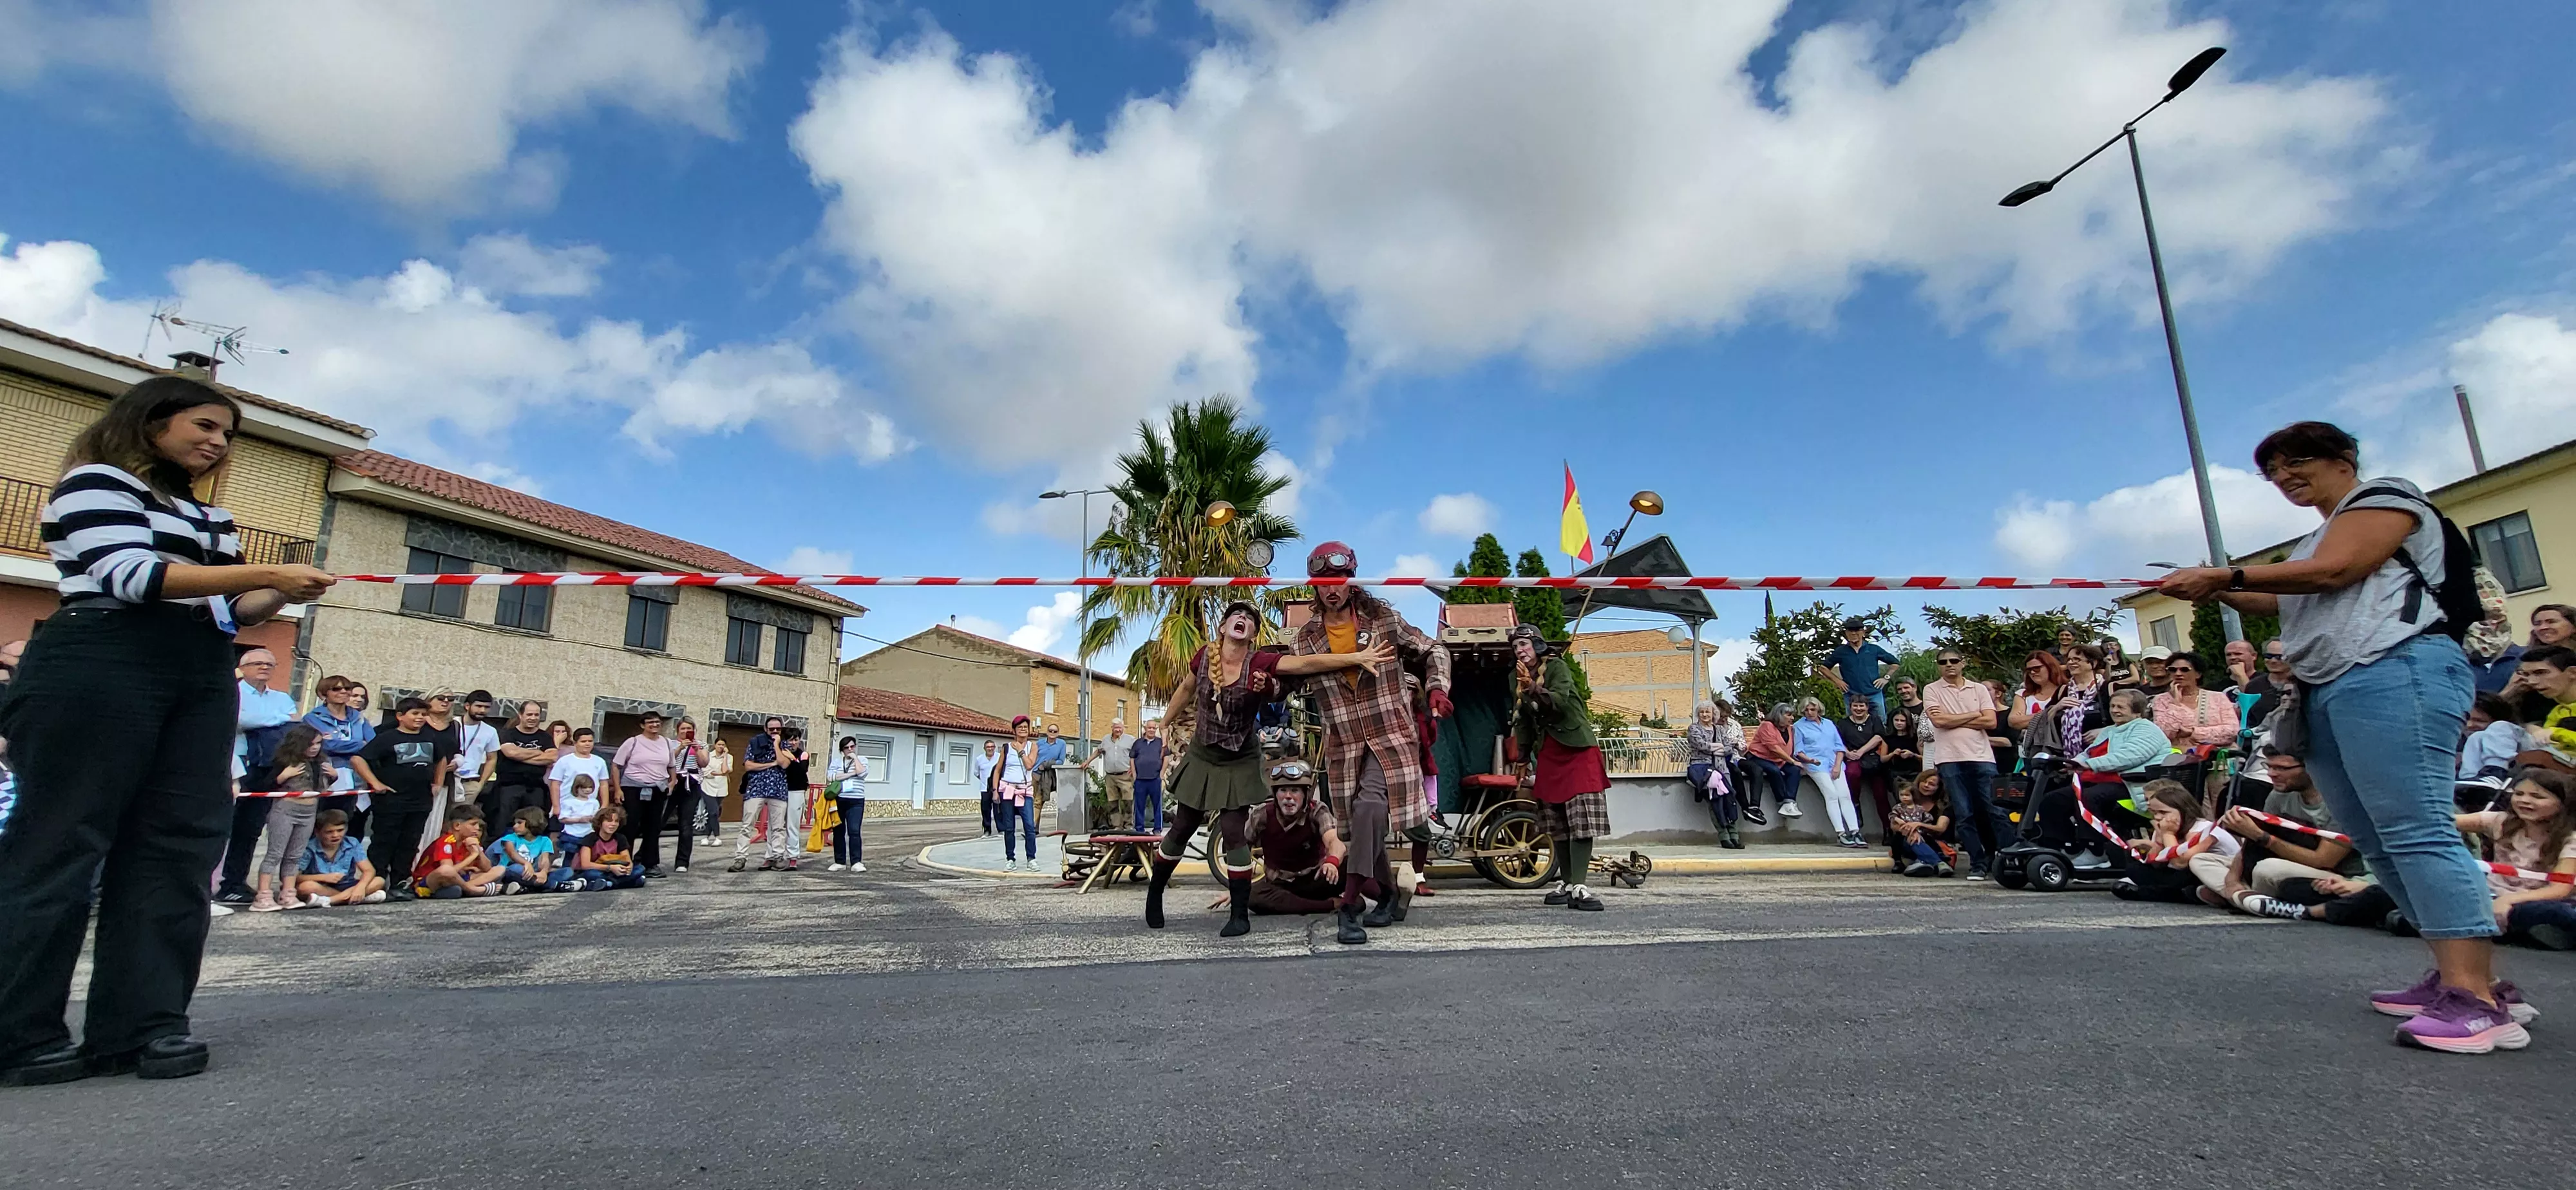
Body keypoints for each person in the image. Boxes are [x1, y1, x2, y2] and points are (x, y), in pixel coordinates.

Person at [2159, 419, 2521, 1054]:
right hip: (2333, 687)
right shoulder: (2313, 539)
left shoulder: (2384, 498)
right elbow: (2293, 595)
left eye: (2297, 461)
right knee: (2377, 837)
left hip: (2397, 670)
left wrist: (2226, 577)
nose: (2284, 477)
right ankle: (2462, 977)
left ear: (2343, 458)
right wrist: (2215, 589)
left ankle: (2477, 1000)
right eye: (2272, 472)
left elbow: (2337, 572)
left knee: (2416, 828)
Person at [1145, 600, 1388, 938]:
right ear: (1223, 627)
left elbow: (1307, 664)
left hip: (1240, 757)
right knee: (1183, 826)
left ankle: (1240, 915)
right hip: (1203, 753)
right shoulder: (1204, 656)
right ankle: (1154, 896)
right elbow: (1186, 690)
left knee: (1234, 831)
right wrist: (1164, 725)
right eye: (1236, 615)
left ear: (1254, 634)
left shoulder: (1260, 662)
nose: (1242, 619)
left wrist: (1356, 658)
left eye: (1249, 618)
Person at [1287, 545, 1455, 932]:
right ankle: (1389, 894)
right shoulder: (1305, 640)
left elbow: (1435, 649)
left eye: (1339, 581)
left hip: (1390, 738)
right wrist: (1268, 684)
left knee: (1367, 809)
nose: (1333, 589)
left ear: (1352, 581)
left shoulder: (1383, 621)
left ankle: (1349, 904)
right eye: (1324, 582)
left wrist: (1437, 688)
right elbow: (1288, 680)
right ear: (1314, 586)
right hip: (1344, 748)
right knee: (1365, 826)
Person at [1511, 624, 1616, 907]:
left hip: (1577, 749)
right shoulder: (1516, 677)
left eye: (1525, 644)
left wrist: (1532, 687)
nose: (1520, 650)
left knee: (1580, 819)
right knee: (1557, 821)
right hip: (1548, 752)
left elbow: (1557, 702)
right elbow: (1523, 718)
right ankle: (1568, 882)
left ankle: (1581, 886)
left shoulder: (1557, 667)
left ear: (1538, 645)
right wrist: (1523, 756)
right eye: (1516, 647)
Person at [2204, 750, 2363, 917]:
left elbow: (2324, 860)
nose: (2271, 774)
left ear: (2312, 768)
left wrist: (2261, 837)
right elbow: (2252, 844)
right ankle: (2243, 895)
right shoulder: (2278, 795)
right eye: (2269, 766)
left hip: (2336, 874)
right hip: (2289, 863)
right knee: (2202, 860)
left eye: (2281, 768)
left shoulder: (2341, 803)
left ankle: (2242, 898)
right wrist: (2232, 880)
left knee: (2267, 869)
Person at [350, 697, 459, 905]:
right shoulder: (387, 737)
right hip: (391, 801)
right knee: (384, 841)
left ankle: (400, 882)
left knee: (409, 843)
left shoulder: (431, 738)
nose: (420, 718)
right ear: (400, 716)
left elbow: (442, 758)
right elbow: (358, 759)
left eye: (423, 714)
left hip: (420, 801)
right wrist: (375, 783)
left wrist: (438, 782)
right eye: (414, 714)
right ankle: (377, 880)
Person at [2456, 770, 2576, 950]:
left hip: (2537, 901)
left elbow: (2561, 889)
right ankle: (2512, 931)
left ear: (2563, 803)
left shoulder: (2570, 839)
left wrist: (2510, 900)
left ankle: (2479, 928)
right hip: (2489, 896)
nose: (2525, 800)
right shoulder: (2500, 822)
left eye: (2537, 797)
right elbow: (2448, 822)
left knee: (2556, 913)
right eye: (2519, 794)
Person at [216, 646, 298, 905]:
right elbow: (240, 720)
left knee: (250, 829)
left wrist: (266, 719)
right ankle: (212, 883)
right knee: (224, 826)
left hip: (268, 767)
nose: (264, 667)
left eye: (269, 664)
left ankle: (235, 881)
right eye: (258, 663)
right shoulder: (234, 691)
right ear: (244, 667)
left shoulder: (282, 697)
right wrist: (276, 719)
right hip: (237, 765)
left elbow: (293, 722)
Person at [1924, 649, 2007, 877]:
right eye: (1943, 662)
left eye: (1954, 661)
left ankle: (2009, 857)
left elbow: (1990, 721)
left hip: (1982, 757)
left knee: (1996, 810)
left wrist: (1955, 719)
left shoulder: (1979, 688)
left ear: (1963, 663)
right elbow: (1939, 722)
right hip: (1949, 759)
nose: (1949, 665)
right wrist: (1973, 715)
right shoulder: (1931, 689)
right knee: (1964, 814)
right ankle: (1978, 864)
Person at [1244, 759, 1349, 925]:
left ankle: (1389, 897)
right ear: (1275, 794)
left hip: (1317, 880)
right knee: (1252, 896)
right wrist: (1238, 888)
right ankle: (1331, 904)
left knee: (1357, 860)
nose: (1288, 797)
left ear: (1305, 794)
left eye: (1295, 791)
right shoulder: (1261, 815)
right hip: (1281, 886)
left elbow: (1335, 842)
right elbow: (1241, 849)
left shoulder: (1317, 811)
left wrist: (1332, 862)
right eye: (1283, 790)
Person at [248, 724, 332, 913]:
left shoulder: (320, 762)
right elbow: (264, 786)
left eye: (318, 743)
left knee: (295, 856)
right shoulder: (285, 761)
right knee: (275, 854)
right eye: (310, 744)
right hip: (286, 809)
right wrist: (283, 776)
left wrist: (333, 777)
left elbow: (320, 787)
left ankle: (288, 893)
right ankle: (263, 895)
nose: (315, 748)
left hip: (310, 811)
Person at [2110, 780, 2237, 903]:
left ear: (2183, 810)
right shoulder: (2164, 826)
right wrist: (2158, 843)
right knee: (2136, 869)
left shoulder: (2201, 828)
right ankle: (2181, 894)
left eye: (2163, 812)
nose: (2158, 817)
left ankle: (2178, 894)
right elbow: (2156, 863)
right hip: (2180, 873)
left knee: (2182, 877)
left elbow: (2180, 862)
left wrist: (2168, 834)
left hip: (2218, 872)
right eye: (2155, 813)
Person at [305, 675, 375, 846]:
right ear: (324, 694)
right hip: (327, 776)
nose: (344, 692)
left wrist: (343, 744)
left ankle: (345, 869)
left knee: (350, 826)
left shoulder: (359, 718)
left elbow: (373, 744)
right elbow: (326, 745)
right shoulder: (313, 718)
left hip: (356, 777)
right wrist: (360, 744)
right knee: (323, 825)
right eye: (336, 689)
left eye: (347, 688)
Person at [609, 711, 680, 878]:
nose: (654, 725)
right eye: (650, 723)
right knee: (630, 827)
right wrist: (618, 789)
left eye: (657, 722)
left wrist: (672, 782)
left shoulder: (666, 743)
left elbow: (671, 765)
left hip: (657, 790)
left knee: (653, 828)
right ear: (643, 725)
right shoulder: (632, 742)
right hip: (633, 789)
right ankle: (625, 863)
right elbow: (616, 765)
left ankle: (650, 864)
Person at [1790, 697, 1861, 849]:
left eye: (1813, 710)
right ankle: (1841, 833)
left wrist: (1837, 766)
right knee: (1831, 795)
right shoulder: (1798, 727)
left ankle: (1855, 831)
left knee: (1845, 796)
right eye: (1806, 710)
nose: (1810, 713)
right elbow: (1798, 751)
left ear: (1818, 710)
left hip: (1835, 763)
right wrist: (1809, 760)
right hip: (1816, 765)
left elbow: (1839, 747)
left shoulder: (1829, 724)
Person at [483, 701, 556, 846]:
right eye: (529, 714)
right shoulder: (507, 734)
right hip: (509, 787)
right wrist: (538, 753)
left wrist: (522, 756)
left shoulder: (545, 737)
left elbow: (552, 757)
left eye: (536, 715)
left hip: (535, 788)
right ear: (521, 715)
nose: (533, 718)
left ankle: (530, 854)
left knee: (534, 824)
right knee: (502, 824)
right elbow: (511, 753)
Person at [730, 718, 796, 873]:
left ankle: (778, 857)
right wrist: (770, 764)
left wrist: (776, 745)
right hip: (756, 789)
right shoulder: (754, 742)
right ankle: (740, 858)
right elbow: (748, 765)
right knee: (747, 825)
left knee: (778, 827)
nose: (774, 732)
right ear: (765, 728)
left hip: (778, 790)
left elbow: (784, 763)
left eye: (778, 729)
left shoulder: (784, 744)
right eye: (771, 729)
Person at [2148, 651, 2240, 750]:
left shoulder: (2218, 698)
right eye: (2173, 670)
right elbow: (2164, 733)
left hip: (2218, 756)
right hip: (2178, 758)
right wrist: (2175, 703)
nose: (2178, 674)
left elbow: (2232, 731)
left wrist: (2193, 732)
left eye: (2184, 670)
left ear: (2198, 674)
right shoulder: (2161, 700)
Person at [1685, 700, 1746, 849]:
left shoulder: (1719, 730)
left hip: (1722, 769)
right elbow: (1700, 745)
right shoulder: (1694, 728)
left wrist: (1717, 748)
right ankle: (1724, 836)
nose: (1705, 715)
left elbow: (1729, 749)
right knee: (1715, 802)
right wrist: (1717, 747)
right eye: (1702, 712)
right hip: (1704, 769)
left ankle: (1735, 835)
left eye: (1708, 712)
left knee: (1729, 799)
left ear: (1714, 714)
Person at [1816, 617, 1900, 719]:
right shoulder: (1841, 652)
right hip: (1852, 696)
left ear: (1863, 632)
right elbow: (1823, 668)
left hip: (1874, 694)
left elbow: (1895, 663)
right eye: (1850, 631)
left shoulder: (1874, 649)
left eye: (1857, 630)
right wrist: (1838, 681)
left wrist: (1886, 677)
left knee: (1881, 723)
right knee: (1853, 726)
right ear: (1846, 633)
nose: (1854, 633)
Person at [412, 806, 505, 899]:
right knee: (446, 871)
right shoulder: (446, 841)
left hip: (456, 880)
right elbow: (448, 870)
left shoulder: (469, 841)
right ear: (457, 826)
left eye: (479, 826)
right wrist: (473, 856)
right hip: (429, 882)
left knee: (499, 869)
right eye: (473, 824)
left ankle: (467, 887)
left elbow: (488, 869)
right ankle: (472, 890)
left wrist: (479, 852)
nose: (477, 829)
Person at [295, 810, 384, 907]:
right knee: (305, 887)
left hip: (347, 885)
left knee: (379, 881)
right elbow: (296, 877)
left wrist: (361, 888)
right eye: (329, 832)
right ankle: (359, 898)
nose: (335, 835)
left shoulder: (351, 843)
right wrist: (324, 877)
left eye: (340, 830)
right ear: (317, 832)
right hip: (322, 886)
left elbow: (369, 870)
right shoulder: (310, 848)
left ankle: (330, 900)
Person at [1835, 694, 1889, 847]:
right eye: (1855, 706)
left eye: (1862, 706)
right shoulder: (1843, 723)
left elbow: (1879, 737)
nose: (1859, 709)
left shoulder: (1874, 720)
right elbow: (1838, 741)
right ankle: (1856, 805)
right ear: (1850, 707)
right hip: (1852, 757)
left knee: (1881, 795)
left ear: (1867, 707)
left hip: (1872, 758)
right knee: (1851, 773)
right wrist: (1848, 753)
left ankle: (1888, 830)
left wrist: (1861, 751)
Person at [990, 718, 1041, 871]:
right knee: (1009, 827)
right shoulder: (1006, 748)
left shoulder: (1033, 746)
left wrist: (1020, 750)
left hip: (1025, 791)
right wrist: (995, 791)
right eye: (1020, 727)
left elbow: (1030, 765)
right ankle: (1010, 859)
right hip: (1007, 790)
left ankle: (1031, 859)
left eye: (1025, 727)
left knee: (1029, 826)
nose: (1023, 730)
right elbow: (998, 770)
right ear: (1014, 731)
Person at [546, 728, 611, 840]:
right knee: (558, 838)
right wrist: (556, 806)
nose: (587, 744)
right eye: (583, 741)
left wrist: (604, 805)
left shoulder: (599, 762)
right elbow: (555, 784)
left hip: (589, 808)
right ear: (575, 743)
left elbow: (604, 784)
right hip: (566, 805)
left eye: (590, 741)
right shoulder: (564, 761)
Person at [449, 690, 498, 830]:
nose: (482, 710)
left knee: (460, 823)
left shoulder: (490, 731)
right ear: (467, 706)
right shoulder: (452, 724)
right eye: (478, 706)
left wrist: (481, 783)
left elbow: (492, 758)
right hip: (448, 779)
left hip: (470, 782)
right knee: (441, 820)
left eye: (486, 707)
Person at [1888, 771, 1954, 876]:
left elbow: (1940, 828)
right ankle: (1939, 863)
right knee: (1914, 839)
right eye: (1924, 782)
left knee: (1918, 840)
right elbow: (1894, 825)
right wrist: (1912, 832)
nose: (1927, 786)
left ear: (1938, 788)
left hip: (1934, 842)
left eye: (1932, 784)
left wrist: (1918, 825)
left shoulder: (1943, 805)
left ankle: (1922, 863)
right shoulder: (1907, 802)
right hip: (1908, 839)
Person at [1743, 704, 1800, 823]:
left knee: (1795, 771)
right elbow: (1773, 748)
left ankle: (1789, 801)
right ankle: (1782, 801)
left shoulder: (1790, 729)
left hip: (1781, 760)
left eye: (1792, 715)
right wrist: (1792, 761)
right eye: (1789, 715)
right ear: (1779, 715)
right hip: (1758, 757)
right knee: (1774, 771)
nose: (1792, 718)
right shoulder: (1767, 726)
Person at [572, 806, 647, 891]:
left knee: (640, 869)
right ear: (600, 823)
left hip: (615, 872)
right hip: (597, 870)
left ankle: (608, 884)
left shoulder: (620, 838)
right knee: (592, 874)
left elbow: (627, 860)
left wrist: (628, 868)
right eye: (609, 821)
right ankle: (626, 883)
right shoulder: (590, 838)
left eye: (616, 821)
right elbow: (585, 865)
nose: (613, 824)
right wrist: (610, 868)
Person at [495, 807, 568, 893]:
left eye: (519, 823)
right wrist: (526, 863)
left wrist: (544, 872)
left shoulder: (545, 840)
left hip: (535, 872)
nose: (515, 826)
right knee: (516, 868)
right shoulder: (510, 838)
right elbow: (512, 854)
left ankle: (530, 886)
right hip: (513, 870)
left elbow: (544, 859)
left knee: (568, 871)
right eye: (515, 823)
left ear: (532, 822)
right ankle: (552, 886)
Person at [668, 718, 708, 870]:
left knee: (686, 824)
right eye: (683, 729)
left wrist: (697, 749)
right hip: (673, 781)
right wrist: (680, 748)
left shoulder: (701, 744)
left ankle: (682, 862)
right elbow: (667, 760)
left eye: (689, 729)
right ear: (677, 730)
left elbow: (704, 763)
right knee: (659, 821)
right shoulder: (670, 744)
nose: (686, 732)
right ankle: (645, 857)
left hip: (691, 783)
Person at [826, 737, 868, 873]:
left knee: (854, 831)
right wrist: (850, 774)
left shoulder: (862, 760)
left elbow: (862, 773)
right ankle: (840, 861)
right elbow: (831, 777)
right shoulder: (837, 762)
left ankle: (856, 862)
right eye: (846, 748)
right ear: (842, 750)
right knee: (838, 831)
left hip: (856, 800)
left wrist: (855, 759)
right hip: (839, 799)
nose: (850, 750)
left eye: (852, 746)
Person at [778, 729, 812, 871]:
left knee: (793, 825)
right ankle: (774, 856)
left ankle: (793, 858)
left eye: (796, 739)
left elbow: (801, 770)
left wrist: (792, 758)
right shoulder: (779, 752)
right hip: (780, 791)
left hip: (796, 791)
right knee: (776, 825)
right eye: (790, 740)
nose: (793, 743)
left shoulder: (803, 754)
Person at [1131, 720, 1166, 835]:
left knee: (1157, 805)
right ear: (1145, 729)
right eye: (1149, 728)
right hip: (1140, 780)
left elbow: (1166, 758)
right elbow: (1132, 758)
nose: (1151, 730)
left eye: (1154, 728)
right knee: (1139, 806)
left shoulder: (1161, 743)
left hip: (1155, 779)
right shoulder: (1138, 743)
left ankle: (1157, 829)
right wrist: (1135, 775)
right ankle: (1139, 829)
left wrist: (1161, 774)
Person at [1098, 721, 1135, 829]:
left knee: (1128, 802)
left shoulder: (1130, 740)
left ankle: (1129, 825)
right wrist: (1088, 762)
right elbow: (1098, 751)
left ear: (1123, 728)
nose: (1118, 730)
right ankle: (1117, 826)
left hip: (1125, 775)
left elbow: (1137, 754)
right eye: (1116, 728)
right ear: (1112, 728)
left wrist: (1134, 769)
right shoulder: (1106, 740)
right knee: (1113, 802)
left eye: (1120, 728)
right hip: (1110, 776)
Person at [556, 773, 603, 857]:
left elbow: (597, 817)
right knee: (570, 856)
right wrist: (579, 820)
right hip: (572, 835)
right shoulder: (569, 802)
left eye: (590, 787)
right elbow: (562, 819)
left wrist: (594, 819)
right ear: (577, 788)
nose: (588, 790)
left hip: (588, 834)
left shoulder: (594, 802)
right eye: (584, 788)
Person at [698, 735, 732, 844]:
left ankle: (706, 837)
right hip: (707, 787)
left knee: (713, 813)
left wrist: (725, 756)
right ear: (715, 745)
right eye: (719, 744)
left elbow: (726, 770)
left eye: (723, 745)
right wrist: (721, 773)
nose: (721, 747)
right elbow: (707, 771)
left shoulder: (729, 757)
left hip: (721, 788)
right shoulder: (708, 755)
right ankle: (717, 837)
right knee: (714, 812)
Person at [971, 739, 999, 837]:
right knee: (986, 810)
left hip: (997, 788)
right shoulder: (979, 759)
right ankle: (987, 830)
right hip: (985, 789)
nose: (990, 749)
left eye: (992, 747)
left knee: (998, 810)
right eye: (988, 747)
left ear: (995, 748)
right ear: (984, 748)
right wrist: (985, 780)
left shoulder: (999, 758)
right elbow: (976, 773)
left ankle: (1001, 829)